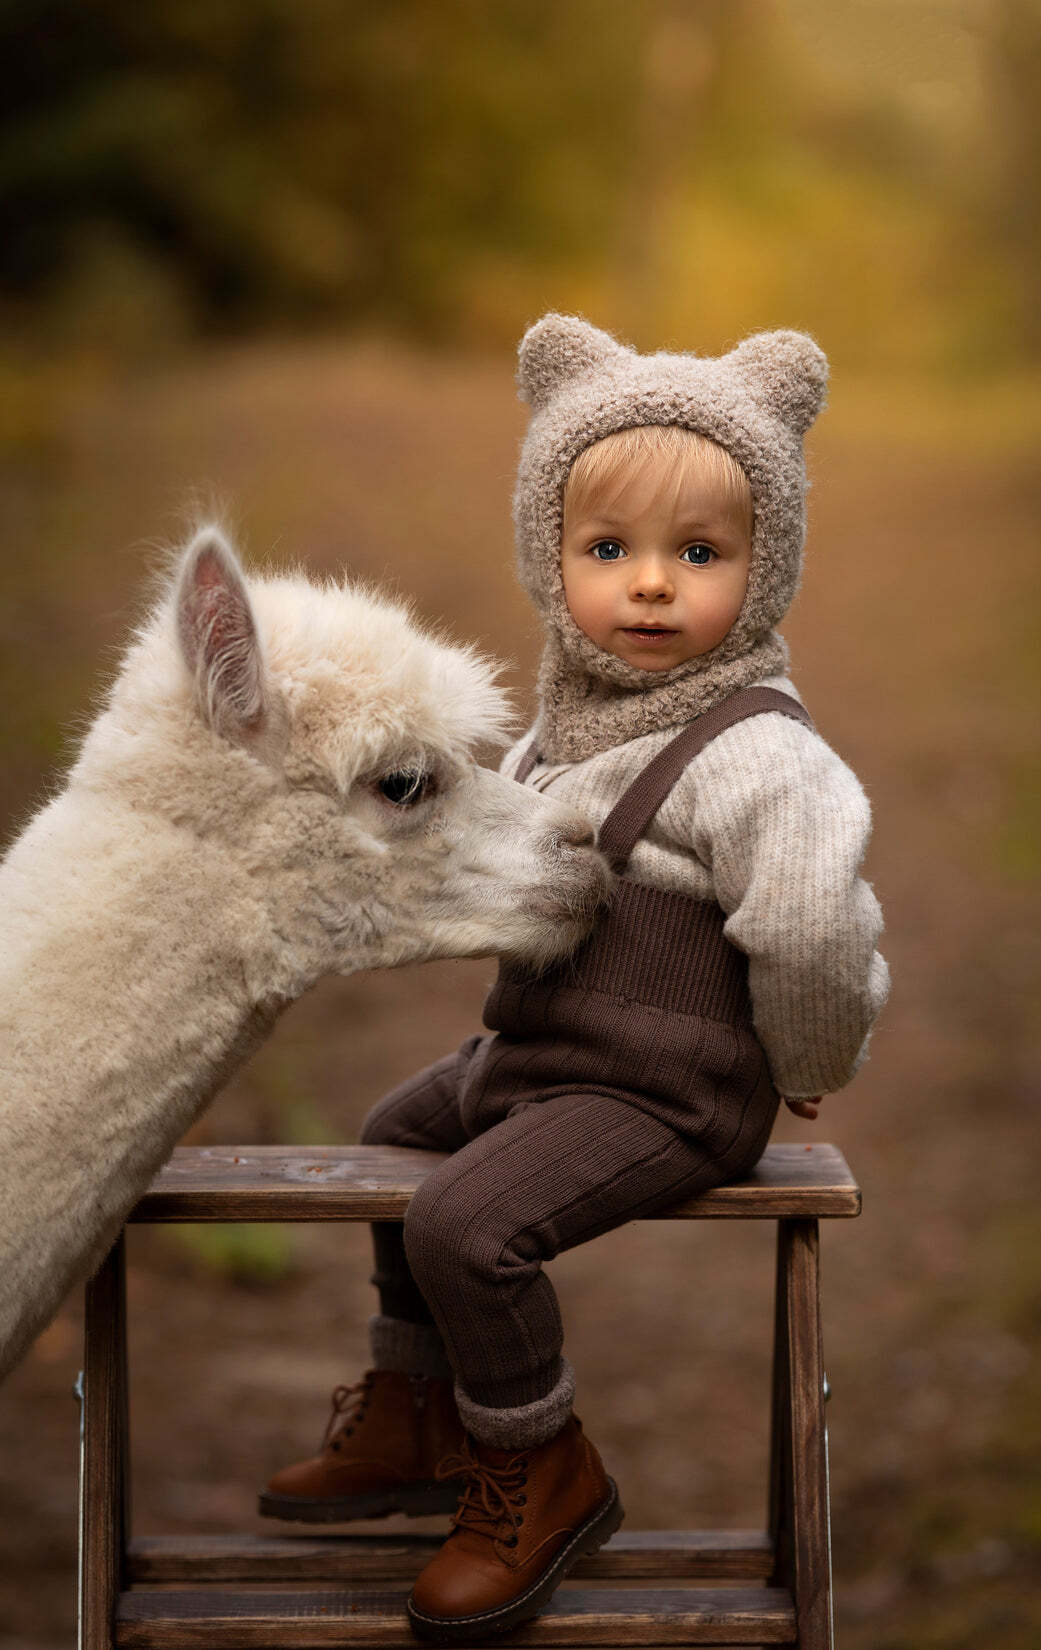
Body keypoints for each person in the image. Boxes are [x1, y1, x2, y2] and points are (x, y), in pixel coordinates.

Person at [259, 315, 889, 1643]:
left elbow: (815, 928)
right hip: (546, 1058)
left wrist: (808, 1056)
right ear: (552, 560)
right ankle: (422, 1403)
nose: (650, 587)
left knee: (465, 1223)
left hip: (675, 1088)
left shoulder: (760, 757)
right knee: (392, 1137)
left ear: (763, 568)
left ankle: (543, 1461)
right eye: (610, 550)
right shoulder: (562, 729)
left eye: (699, 554)